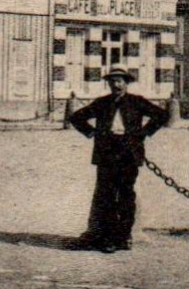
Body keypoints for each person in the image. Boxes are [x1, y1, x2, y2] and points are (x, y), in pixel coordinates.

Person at [68, 68, 169, 253]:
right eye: (112, 81)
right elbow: (76, 117)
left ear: (126, 83)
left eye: (119, 81)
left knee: (125, 195)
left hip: (129, 153)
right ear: (109, 84)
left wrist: (143, 133)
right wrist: (92, 132)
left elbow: (162, 115)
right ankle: (108, 239)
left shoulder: (137, 102)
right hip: (106, 152)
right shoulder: (102, 103)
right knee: (106, 195)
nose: (116, 85)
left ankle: (124, 236)